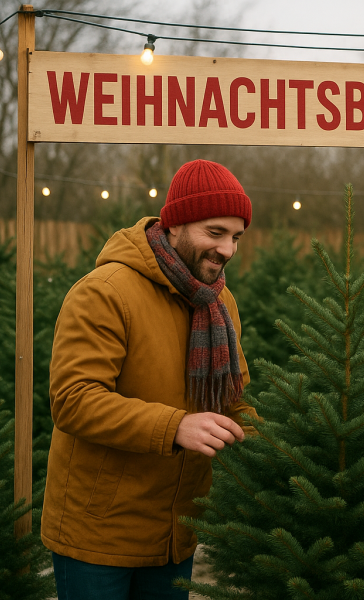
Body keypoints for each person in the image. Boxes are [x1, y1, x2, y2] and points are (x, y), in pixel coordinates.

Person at [41, 159, 257, 599]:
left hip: (175, 536)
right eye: (214, 233)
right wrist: (174, 426)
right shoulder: (105, 291)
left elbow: (232, 401)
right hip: (97, 538)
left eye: (235, 236)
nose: (228, 249)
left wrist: (281, 451)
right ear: (175, 223)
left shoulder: (220, 303)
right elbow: (73, 399)